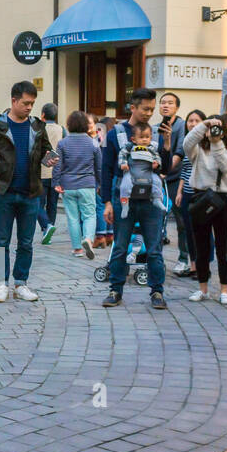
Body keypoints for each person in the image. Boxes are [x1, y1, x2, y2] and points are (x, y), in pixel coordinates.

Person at [0, 81, 56, 302]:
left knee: (26, 242)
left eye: (32, 103)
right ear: (13, 100)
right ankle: (2, 283)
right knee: (1, 240)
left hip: (31, 192)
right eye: (25, 103)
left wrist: (50, 157)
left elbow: (45, 150)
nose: (29, 107)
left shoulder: (37, 126)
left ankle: (21, 283)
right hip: (4, 192)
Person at [101, 121, 168, 309]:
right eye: (145, 109)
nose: (149, 112)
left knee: (154, 249)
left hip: (150, 202)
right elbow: (106, 168)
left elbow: (165, 168)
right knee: (120, 247)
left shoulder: (158, 137)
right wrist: (107, 202)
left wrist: (166, 148)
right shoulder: (116, 135)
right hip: (126, 200)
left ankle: (157, 292)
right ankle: (115, 290)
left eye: (151, 109)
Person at [183, 114, 227, 304]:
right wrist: (204, 124)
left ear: (224, 132)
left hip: (222, 199)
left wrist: (217, 143)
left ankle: (224, 290)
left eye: (217, 128)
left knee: (223, 247)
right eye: (210, 129)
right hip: (200, 198)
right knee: (201, 246)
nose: (212, 132)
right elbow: (186, 143)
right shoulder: (197, 150)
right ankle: (203, 288)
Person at [53, 109, 100, 258]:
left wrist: (56, 182)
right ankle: (88, 239)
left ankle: (77, 249)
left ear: (69, 125)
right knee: (89, 215)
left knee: (72, 217)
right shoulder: (93, 143)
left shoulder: (62, 143)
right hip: (87, 184)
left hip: (68, 185)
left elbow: (57, 165)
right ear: (86, 125)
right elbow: (99, 166)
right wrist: (99, 184)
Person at [172, 109, 207, 277]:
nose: (192, 124)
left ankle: (203, 266)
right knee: (188, 229)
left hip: (202, 194)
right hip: (186, 193)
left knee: (203, 230)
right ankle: (193, 266)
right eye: (190, 120)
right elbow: (184, 171)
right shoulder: (187, 144)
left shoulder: (208, 143)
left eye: (196, 120)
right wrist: (179, 192)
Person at [157, 93, 187, 258]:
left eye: (170, 103)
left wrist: (165, 170)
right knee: (156, 220)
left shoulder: (181, 125)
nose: (165, 106)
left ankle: (184, 257)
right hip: (157, 180)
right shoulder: (155, 127)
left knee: (181, 220)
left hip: (175, 179)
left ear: (177, 107)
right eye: (162, 103)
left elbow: (180, 151)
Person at [36, 102, 63, 243]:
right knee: (52, 204)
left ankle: (46, 226)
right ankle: (49, 230)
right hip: (56, 173)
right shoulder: (61, 129)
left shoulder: (39, 128)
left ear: (43, 115)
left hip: (41, 172)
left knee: (38, 204)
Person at [94, 116, 118, 247]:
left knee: (101, 206)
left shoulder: (100, 141)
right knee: (111, 206)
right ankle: (110, 235)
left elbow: (99, 163)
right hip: (115, 177)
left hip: (102, 177)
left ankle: (100, 236)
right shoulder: (116, 140)